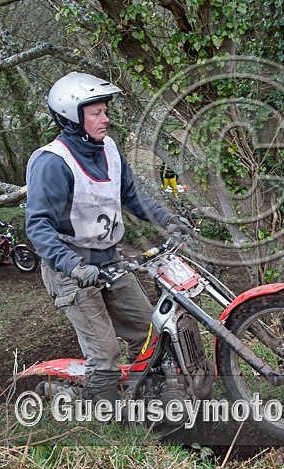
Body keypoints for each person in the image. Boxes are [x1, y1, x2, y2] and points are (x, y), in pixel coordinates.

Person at [25, 71, 193, 402]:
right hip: (70, 270)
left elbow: (131, 195)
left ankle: (142, 399)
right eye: (96, 113)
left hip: (109, 260)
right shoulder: (52, 163)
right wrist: (72, 265)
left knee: (150, 331)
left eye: (106, 111)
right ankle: (98, 425)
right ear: (72, 118)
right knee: (104, 355)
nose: (106, 119)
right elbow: (38, 225)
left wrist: (168, 219)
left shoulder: (109, 150)